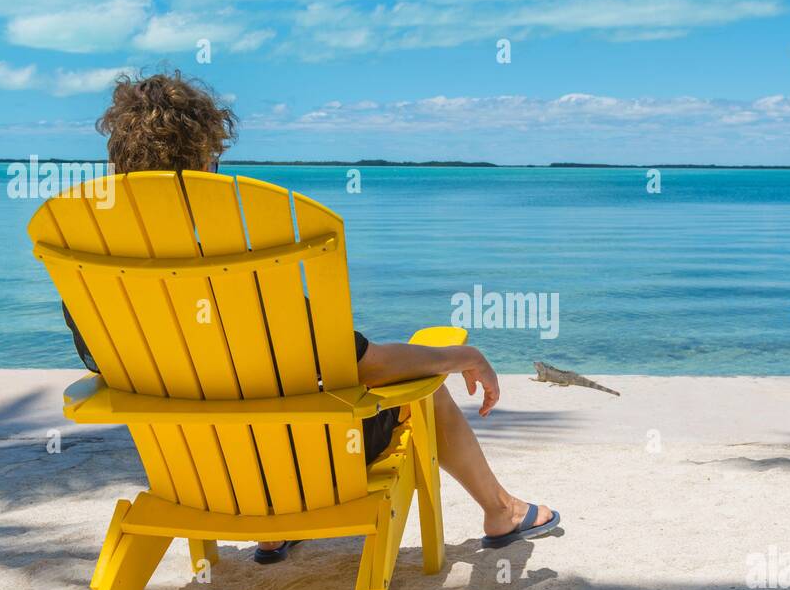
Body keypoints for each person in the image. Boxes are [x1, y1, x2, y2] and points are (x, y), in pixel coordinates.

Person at [64, 72, 559, 561]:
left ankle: (273, 533)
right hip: (304, 468)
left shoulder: (90, 276)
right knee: (428, 392)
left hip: (199, 473)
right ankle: (502, 511)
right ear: (207, 161)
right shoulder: (236, 265)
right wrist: (460, 354)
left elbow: (106, 370)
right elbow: (364, 367)